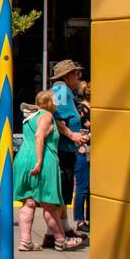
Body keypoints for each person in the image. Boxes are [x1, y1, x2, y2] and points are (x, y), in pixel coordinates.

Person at [14, 91, 84, 252]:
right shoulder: (46, 116)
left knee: (28, 202)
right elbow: (40, 136)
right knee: (49, 204)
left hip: (22, 159)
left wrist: (71, 134)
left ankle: (25, 241)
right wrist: (39, 161)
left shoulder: (30, 116)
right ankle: (61, 240)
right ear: (51, 103)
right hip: (42, 160)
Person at [48, 60, 89, 247]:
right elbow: (58, 119)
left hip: (65, 149)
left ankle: (61, 229)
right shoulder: (62, 93)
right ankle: (57, 235)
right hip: (64, 150)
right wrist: (73, 135)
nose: (78, 77)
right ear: (66, 76)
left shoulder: (62, 92)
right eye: (75, 74)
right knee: (62, 192)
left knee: (64, 193)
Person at [73, 81, 92, 235]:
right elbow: (76, 127)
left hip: (92, 150)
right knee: (82, 187)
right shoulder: (82, 109)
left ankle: (90, 218)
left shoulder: (92, 109)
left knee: (90, 188)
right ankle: (80, 220)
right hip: (83, 150)